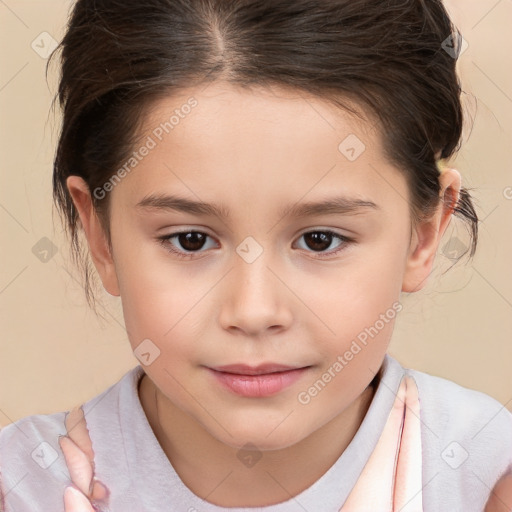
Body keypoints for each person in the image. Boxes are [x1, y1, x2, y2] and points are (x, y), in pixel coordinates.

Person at [1, 1, 511, 510]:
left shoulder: (487, 478)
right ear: (100, 234)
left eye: (320, 240)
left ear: (423, 233)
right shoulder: (22, 486)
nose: (253, 312)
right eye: (190, 240)